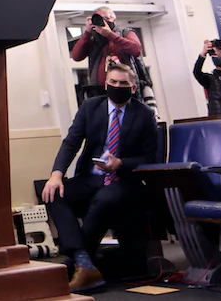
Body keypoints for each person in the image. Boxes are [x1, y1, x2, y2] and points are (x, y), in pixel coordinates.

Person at [41, 64, 158, 292]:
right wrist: (56, 175)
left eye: (123, 83)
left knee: (105, 199)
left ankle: (77, 264)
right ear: (106, 84)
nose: (117, 86)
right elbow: (71, 142)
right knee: (53, 193)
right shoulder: (91, 107)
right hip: (91, 177)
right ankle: (83, 260)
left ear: (133, 88)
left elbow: (150, 157)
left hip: (124, 181)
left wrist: (120, 163)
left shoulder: (144, 114)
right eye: (112, 82)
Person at [71, 6, 143, 88]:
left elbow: (136, 50)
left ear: (114, 20)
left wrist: (110, 35)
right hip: (99, 89)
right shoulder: (93, 38)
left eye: (106, 18)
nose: (103, 21)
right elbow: (76, 56)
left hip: (125, 86)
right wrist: (87, 33)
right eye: (99, 18)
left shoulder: (125, 33)